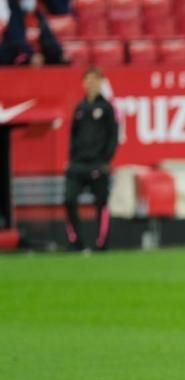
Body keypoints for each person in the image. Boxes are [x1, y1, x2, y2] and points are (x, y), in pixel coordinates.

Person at [64, 67, 118, 252]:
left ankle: (102, 243)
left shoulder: (107, 108)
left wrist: (106, 161)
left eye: (94, 80)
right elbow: (73, 136)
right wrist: (70, 160)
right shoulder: (80, 108)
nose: (91, 84)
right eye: (87, 80)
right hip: (78, 164)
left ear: (101, 82)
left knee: (101, 204)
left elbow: (113, 136)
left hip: (98, 164)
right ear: (83, 83)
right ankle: (75, 242)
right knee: (69, 200)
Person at [0, 0, 64, 66]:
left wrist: (59, 53)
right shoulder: (13, 15)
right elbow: (16, 40)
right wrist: (31, 55)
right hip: (21, 58)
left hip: (39, 56)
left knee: (58, 57)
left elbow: (48, 38)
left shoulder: (39, 16)